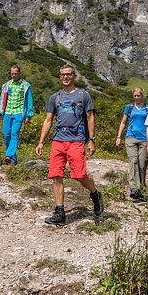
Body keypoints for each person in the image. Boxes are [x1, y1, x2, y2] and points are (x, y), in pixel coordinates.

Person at [35, 65, 103, 225]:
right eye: (62, 75)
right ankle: (59, 212)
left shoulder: (83, 95)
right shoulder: (55, 97)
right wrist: (41, 141)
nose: (65, 77)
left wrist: (91, 140)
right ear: (60, 77)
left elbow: (90, 117)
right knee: (56, 176)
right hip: (58, 140)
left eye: (68, 74)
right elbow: (48, 120)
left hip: (77, 140)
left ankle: (95, 194)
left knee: (79, 175)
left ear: (74, 76)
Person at [115, 87, 148, 201]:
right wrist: (119, 137)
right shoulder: (129, 107)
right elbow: (123, 122)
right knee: (133, 161)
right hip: (130, 137)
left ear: (142, 96)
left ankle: (141, 188)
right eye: (135, 96)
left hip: (144, 139)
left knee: (142, 163)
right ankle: (134, 189)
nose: (136, 98)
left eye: (138, 95)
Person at [0, 65, 34, 165]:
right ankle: (13, 159)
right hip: (8, 112)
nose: (14, 75)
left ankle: (8, 155)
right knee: (6, 134)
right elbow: (2, 99)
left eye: (16, 73)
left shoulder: (25, 85)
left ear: (19, 73)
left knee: (14, 133)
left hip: (19, 113)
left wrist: (28, 115)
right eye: (12, 73)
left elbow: (29, 101)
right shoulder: (7, 85)